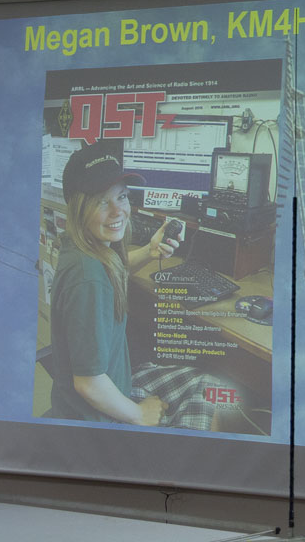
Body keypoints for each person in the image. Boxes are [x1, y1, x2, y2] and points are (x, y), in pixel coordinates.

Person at [49, 143, 217, 429]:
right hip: (97, 416)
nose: (118, 211)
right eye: (101, 202)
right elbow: (89, 384)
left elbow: (112, 273)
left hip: (111, 387)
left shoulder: (83, 250)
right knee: (212, 395)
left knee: (208, 386)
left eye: (122, 197)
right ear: (78, 208)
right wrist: (139, 414)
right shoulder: (87, 278)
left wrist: (149, 252)